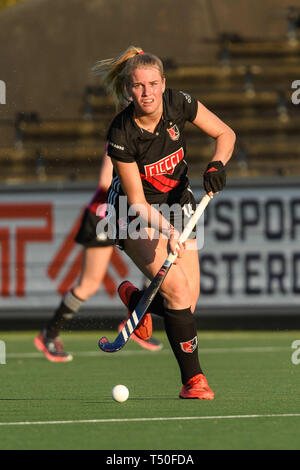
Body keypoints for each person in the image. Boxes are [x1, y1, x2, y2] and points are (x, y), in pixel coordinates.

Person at [94, 46, 236, 399]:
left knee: (187, 299)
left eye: (153, 84)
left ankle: (137, 299)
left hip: (178, 204)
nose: (148, 93)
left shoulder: (178, 103)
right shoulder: (122, 132)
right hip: (131, 213)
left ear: (163, 84)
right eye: (139, 86)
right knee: (176, 290)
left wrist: (216, 166)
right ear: (129, 90)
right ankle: (194, 382)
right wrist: (169, 232)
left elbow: (225, 135)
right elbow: (139, 204)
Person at [34, 146, 163, 362]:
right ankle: (49, 335)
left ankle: (134, 322)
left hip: (129, 212)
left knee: (155, 263)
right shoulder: (121, 136)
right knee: (89, 284)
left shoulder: (151, 138)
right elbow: (105, 182)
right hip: (103, 215)